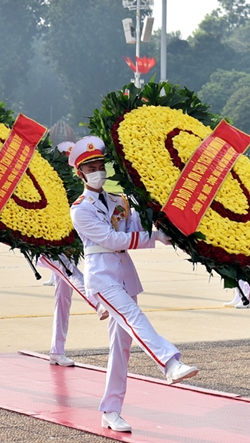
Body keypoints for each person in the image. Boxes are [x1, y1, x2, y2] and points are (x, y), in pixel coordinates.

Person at [70, 136, 198, 433]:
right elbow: (112, 239)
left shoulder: (119, 201)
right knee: (133, 317)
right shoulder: (80, 209)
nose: (97, 171)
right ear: (80, 173)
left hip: (126, 275)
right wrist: (155, 238)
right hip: (102, 278)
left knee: (121, 347)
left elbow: (135, 226)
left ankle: (110, 410)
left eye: (100, 165)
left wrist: (161, 220)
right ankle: (170, 363)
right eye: (91, 167)